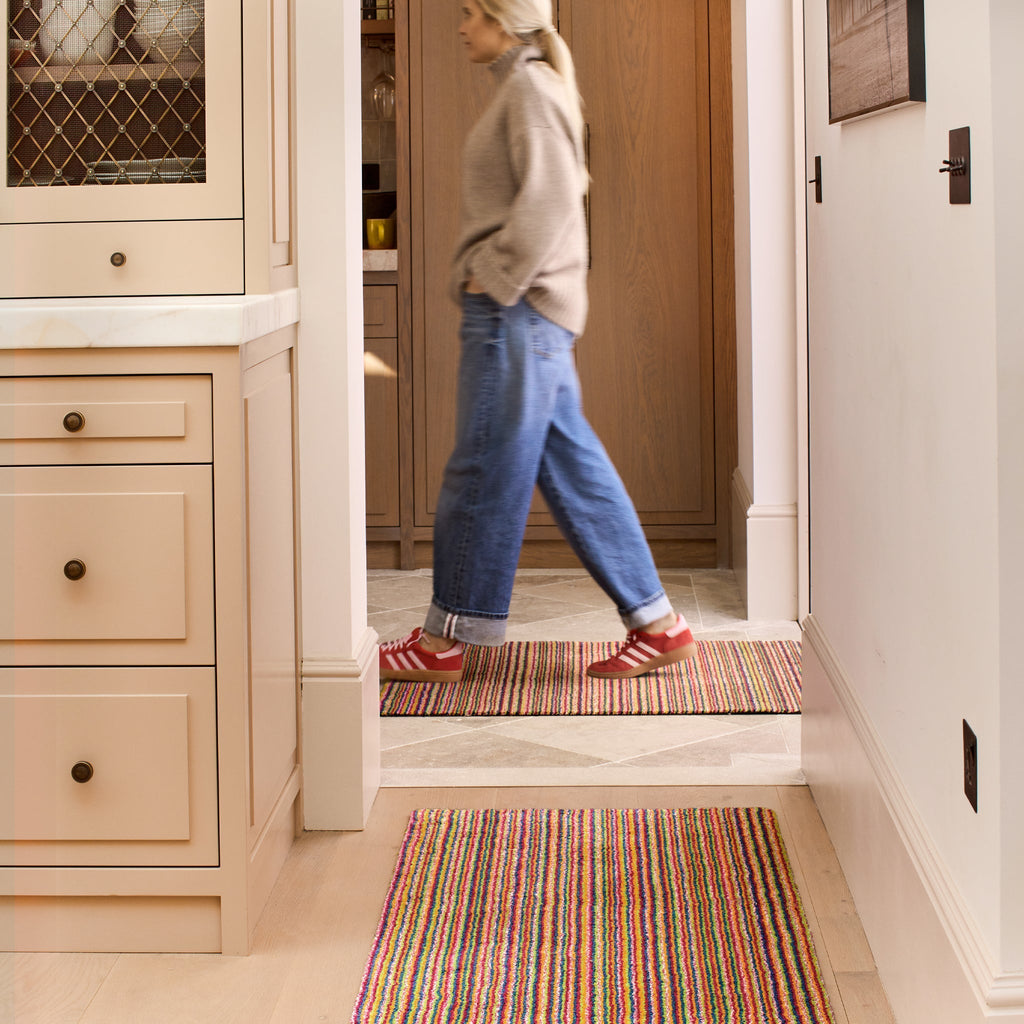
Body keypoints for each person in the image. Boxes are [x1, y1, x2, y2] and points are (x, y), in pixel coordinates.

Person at [379, 0, 697, 684]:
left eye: (471, 12)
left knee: (481, 468)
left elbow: (553, 199)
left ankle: (444, 642)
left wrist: (492, 278)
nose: (461, 26)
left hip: (515, 315)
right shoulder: (528, 86)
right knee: (575, 468)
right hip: (527, 316)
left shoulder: (528, 87)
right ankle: (659, 624)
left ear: (503, 20)